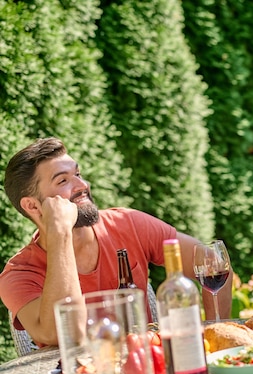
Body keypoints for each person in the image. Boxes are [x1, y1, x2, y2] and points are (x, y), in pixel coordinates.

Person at [0, 137, 232, 346]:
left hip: (150, 368)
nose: (83, 186)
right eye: (62, 181)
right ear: (32, 206)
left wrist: (215, 334)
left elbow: (213, 261)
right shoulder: (18, 274)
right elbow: (63, 334)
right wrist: (60, 233)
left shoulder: (128, 224)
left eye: (78, 174)